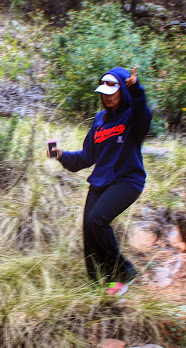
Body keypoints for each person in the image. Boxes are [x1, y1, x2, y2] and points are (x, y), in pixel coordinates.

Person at [48, 66, 152, 295]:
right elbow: (86, 157)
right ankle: (97, 283)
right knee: (89, 227)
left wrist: (136, 89)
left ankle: (124, 273)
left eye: (111, 92)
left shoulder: (132, 116)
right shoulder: (100, 120)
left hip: (127, 180)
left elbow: (143, 115)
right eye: (103, 93)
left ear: (123, 91)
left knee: (97, 220)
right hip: (101, 181)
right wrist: (61, 155)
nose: (106, 97)